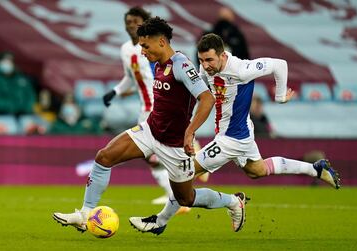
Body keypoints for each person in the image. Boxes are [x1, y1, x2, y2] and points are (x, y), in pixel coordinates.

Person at [129, 33, 340, 235]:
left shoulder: (241, 68)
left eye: (210, 60)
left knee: (183, 173)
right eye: (202, 60)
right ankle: (316, 169)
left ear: (222, 55)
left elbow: (279, 64)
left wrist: (280, 95)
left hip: (232, 138)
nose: (206, 65)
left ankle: (160, 221)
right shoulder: (207, 71)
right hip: (242, 133)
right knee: (257, 170)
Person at [53, 17, 249, 234]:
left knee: (186, 198)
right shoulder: (158, 64)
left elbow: (207, 98)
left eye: (145, 46)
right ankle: (85, 215)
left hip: (174, 145)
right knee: (104, 156)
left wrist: (190, 132)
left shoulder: (181, 65)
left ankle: (233, 202)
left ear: (162, 42)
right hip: (150, 131)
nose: (143, 51)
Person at [77, 7, 173, 205]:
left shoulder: (152, 49)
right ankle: (174, 193)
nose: (131, 25)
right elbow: (131, 76)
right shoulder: (126, 50)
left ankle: (182, 180)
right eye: (128, 22)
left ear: (145, 24)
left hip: (158, 107)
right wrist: (116, 91)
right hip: (145, 109)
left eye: (135, 21)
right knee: (152, 155)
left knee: (152, 153)